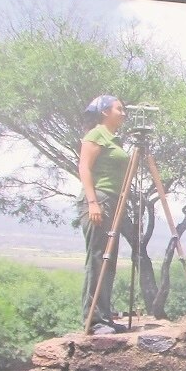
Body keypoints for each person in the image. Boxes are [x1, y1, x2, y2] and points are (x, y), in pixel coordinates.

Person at [78, 94, 132, 334]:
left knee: (108, 261)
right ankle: (93, 320)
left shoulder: (113, 139)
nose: (123, 113)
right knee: (98, 259)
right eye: (119, 109)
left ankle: (104, 316)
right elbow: (84, 167)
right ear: (104, 112)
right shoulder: (96, 134)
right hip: (99, 200)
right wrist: (92, 202)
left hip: (112, 201)